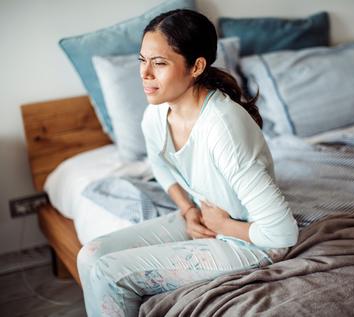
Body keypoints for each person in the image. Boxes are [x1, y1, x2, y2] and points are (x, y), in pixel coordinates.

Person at [77, 9, 298, 317]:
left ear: (196, 66)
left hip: (250, 242)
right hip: (208, 221)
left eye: (159, 63)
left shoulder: (222, 126)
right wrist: (188, 209)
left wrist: (223, 225)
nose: (145, 73)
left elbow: (282, 234)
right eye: (142, 60)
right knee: (90, 255)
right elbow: (161, 165)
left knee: (110, 273)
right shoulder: (157, 112)